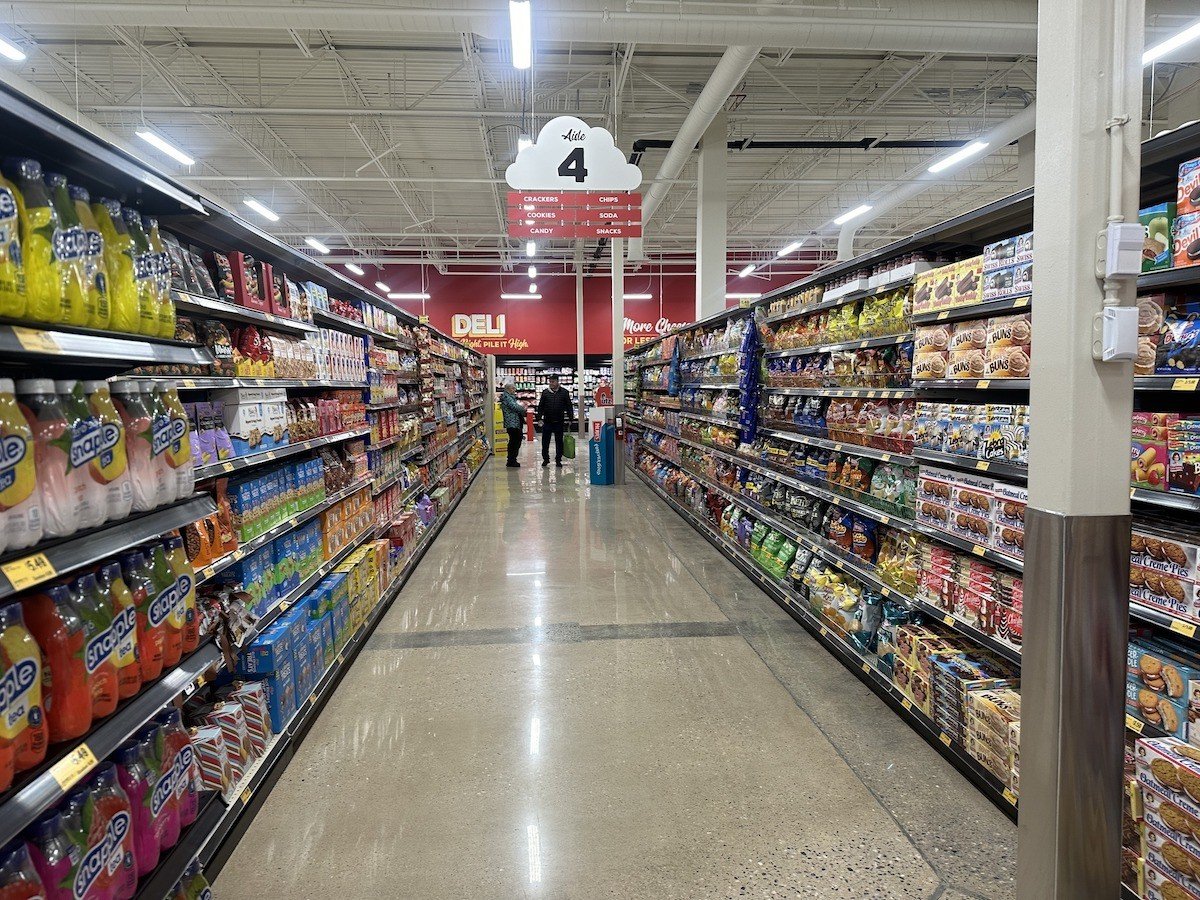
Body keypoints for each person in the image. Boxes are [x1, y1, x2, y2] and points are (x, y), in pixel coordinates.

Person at [536, 373, 573, 467]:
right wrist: (539, 418)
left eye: (553, 381)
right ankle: (545, 459)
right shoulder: (545, 392)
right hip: (547, 421)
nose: (551, 383)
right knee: (545, 442)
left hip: (559, 421)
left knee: (559, 442)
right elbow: (541, 407)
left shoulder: (564, 392)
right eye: (550, 382)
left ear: (557, 381)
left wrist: (570, 418)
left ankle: (558, 460)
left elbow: (569, 406)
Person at [499, 381, 526, 468]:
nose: (515, 390)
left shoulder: (509, 397)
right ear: (508, 389)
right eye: (513, 388)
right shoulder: (507, 397)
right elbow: (515, 407)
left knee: (514, 441)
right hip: (512, 423)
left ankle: (512, 459)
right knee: (515, 441)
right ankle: (511, 460)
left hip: (513, 423)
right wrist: (523, 408)